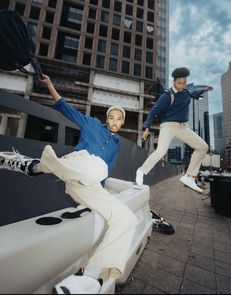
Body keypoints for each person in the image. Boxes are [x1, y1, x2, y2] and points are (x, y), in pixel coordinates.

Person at [0, 74, 138, 294]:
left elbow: (105, 173)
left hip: (87, 183)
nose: (114, 122)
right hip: (78, 164)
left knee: (127, 218)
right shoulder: (92, 124)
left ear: (122, 122)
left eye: (118, 119)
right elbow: (66, 108)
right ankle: (35, 166)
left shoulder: (116, 145)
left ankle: (90, 277)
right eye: (111, 117)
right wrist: (51, 85)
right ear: (107, 118)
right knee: (98, 166)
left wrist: (97, 199)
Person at [136, 67, 213, 193]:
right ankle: (141, 171)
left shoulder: (186, 91)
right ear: (174, 82)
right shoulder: (167, 95)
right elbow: (154, 110)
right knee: (160, 152)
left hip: (183, 127)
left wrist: (204, 90)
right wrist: (146, 128)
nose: (181, 86)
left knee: (203, 147)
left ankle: (189, 177)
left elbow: (193, 95)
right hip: (169, 126)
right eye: (179, 83)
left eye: (184, 83)